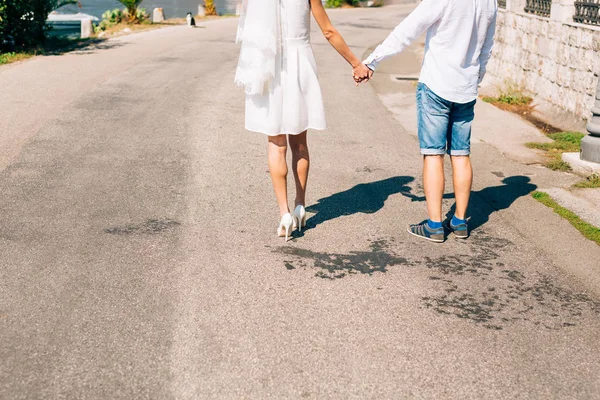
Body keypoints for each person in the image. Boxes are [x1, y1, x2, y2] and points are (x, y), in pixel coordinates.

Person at [361, 0, 498, 242]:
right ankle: (459, 221)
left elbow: (407, 30)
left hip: (437, 85)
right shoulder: (491, 2)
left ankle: (435, 225)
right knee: (461, 154)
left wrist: (372, 61)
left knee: (433, 154)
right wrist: (475, 79)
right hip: (465, 88)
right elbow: (486, 47)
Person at [235, 0, 371, 241]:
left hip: (270, 66)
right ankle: (300, 205)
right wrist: (355, 63)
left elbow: (248, 24)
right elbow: (328, 31)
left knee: (276, 145)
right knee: (300, 144)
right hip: (300, 66)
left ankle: (284, 213)